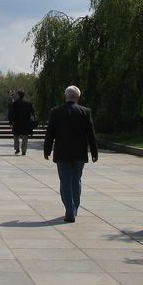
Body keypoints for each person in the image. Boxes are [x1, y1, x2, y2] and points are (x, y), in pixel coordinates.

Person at [44, 85, 98, 223]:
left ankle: (69, 210)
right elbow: (90, 134)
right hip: (79, 152)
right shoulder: (85, 112)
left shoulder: (56, 112)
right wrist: (94, 151)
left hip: (62, 152)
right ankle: (74, 207)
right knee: (76, 180)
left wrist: (47, 149)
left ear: (65, 96)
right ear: (78, 97)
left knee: (65, 181)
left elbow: (50, 133)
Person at [8, 89, 36, 155]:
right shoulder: (28, 103)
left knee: (16, 136)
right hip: (26, 122)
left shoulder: (15, 103)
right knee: (25, 136)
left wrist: (11, 122)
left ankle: (17, 148)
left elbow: (12, 113)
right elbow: (32, 111)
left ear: (18, 95)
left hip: (17, 121)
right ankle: (24, 150)